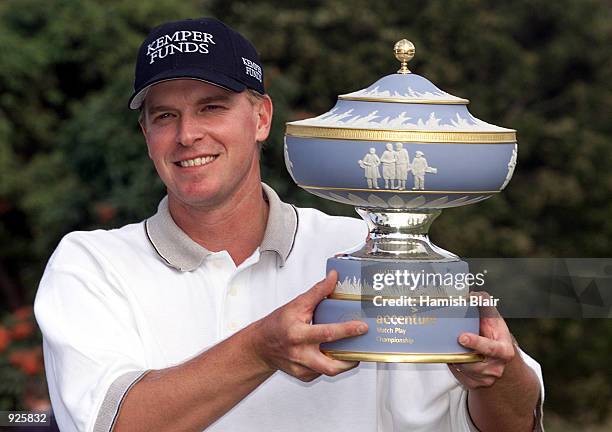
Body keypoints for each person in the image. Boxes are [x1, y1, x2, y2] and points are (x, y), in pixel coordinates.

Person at [34, 17, 544, 432]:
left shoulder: (362, 248)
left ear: (261, 118)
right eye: (165, 116)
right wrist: (260, 348)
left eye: (212, 108)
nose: (188, 134)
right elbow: (112, 424)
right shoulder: (91, 264)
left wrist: (498, 376)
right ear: (145, 133)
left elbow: (506, 423)